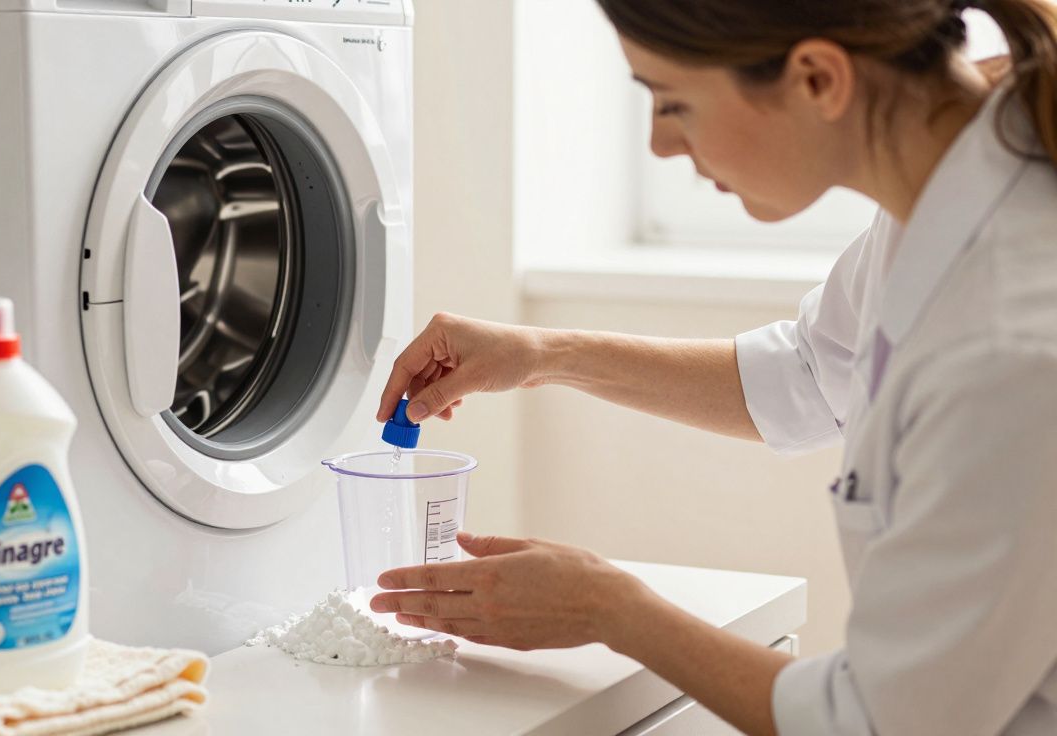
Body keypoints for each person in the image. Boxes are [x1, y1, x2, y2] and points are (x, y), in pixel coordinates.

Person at [367, 1, 1057, 734]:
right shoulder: (953, 177)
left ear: (818, 79)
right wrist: (541, 354)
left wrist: (607, 606)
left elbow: (876, 723)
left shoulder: (1011, 343)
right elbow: (808, 372)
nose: (660, 146)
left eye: (673, 103)